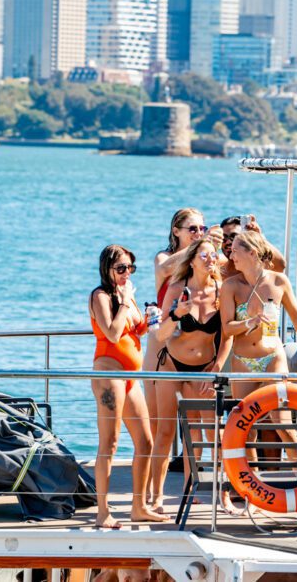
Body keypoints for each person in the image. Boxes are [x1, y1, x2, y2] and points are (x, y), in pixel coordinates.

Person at [142, 208, 223, 489]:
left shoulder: (203, 262)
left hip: (194, 349)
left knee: (196, 429)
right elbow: (166, 269)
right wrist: (200, 247)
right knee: (158, 428)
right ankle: (152, 492)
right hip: (161, 345)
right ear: (176, 231)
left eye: (202, 229)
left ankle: (192, 489)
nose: (198, 234)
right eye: (192, 229)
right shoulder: (165, 258)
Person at [150, 238, 232, 513]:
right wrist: (176, 314)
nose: (211, 260)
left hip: (205, 369)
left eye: (213, 255)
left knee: (211, 434)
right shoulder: (177, 289)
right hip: (172, 365)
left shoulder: (222, 290)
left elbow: (227, 335)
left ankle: (222, 496)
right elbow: (161, 335)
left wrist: (218, 366)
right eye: (205, 255)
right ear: (193, 260)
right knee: (165, 431)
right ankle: (157, 497)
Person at [89, 245, 167, 528]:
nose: (126, 274)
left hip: (132, 377)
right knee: (109, 443)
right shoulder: (101, 296)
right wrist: (124, 302)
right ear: (107, 269)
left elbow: (136, 329)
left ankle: (139, 505)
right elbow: (111, 332)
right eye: (121, 268)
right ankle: (102, 511)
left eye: (130, 268)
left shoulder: (127, 295)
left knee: (145, 441)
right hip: (109, 374)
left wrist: (149, 319)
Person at [221, 231, 297, 452]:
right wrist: (250, 322)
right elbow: (227, 328)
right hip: (243, 361)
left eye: (235, 250)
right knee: (245, 428)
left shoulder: (278, 281)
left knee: (282, 424)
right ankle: (248, 484)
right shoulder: (231, 286)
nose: (231, 254)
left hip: (273, 357)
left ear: (252, 253)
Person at [220, 215, 285, 279]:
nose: (228, 242)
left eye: (234, 237)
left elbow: (281, 265)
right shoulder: (218, 267)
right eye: (223, 238)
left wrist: (259, 237)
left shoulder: (255, 271)